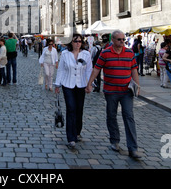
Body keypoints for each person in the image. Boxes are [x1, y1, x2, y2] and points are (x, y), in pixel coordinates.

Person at [86, 30, 141, 159]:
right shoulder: (105, 53)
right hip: (110, 91)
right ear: (113, 40)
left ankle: (133, 148)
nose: (122, 42)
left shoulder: (129, 52)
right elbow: (96, 69)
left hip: (126, 91)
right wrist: (89, 83)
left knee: (129, 117)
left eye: (123, 40)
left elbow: (134, 70)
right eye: (119, 40)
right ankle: (114, 140)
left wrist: (137, 86)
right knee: (111, 115)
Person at [54, 34, 93, 150]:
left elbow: (89, 70)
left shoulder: (86, 54)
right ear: (71, 42)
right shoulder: (65, 54)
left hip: (81, 84)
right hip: (68, 84)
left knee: (79, 109)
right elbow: (61, 69)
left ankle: (77, 131)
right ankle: (70, 137)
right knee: (71, 108)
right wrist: (57, 84)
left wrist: (89, 84)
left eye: (80, 41)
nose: (78, 43)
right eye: (76, 41)